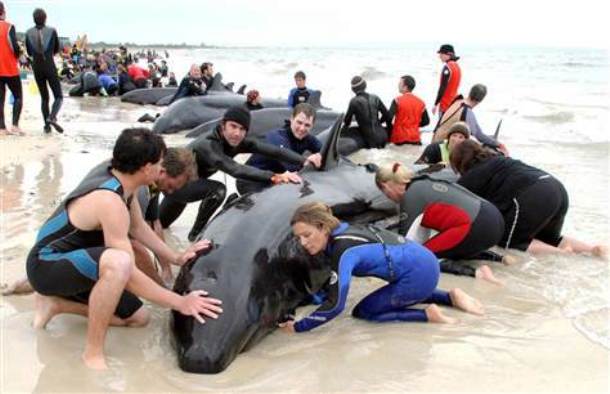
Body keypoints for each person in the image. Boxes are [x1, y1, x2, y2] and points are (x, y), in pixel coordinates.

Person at [26, 128, 223, 370]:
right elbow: (126, 270)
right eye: (160, 163)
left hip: (79, 264)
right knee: (118, 263)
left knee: (139, 317)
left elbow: (140, 229)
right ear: (145, 168)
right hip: (45, 266)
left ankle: (56, 305)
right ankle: (93, 354)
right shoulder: (110, 200)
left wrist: (177, 257)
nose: (163, 169)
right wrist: (180, 302)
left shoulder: (125, 187)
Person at [3, 147, 197, 295]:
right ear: (160, 171)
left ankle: (32, 282)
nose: (170, 192)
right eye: (171, 186)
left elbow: (154, 225)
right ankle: (42, 289)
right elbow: (135, 245)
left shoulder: (131, 172)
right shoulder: (137, 193)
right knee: (128, 276)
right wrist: (162, 290)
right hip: (59, 251)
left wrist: (169, 265)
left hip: (56, 236)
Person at [278, 202, 484, 333]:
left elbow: (336, 305)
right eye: (299, 238)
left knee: (363, 312)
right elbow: (332, 284)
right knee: (400, 290)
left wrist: (298, 327)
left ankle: (427, 315)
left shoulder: (342, 249)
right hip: (423, 260)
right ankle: (450, 297)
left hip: (419, 275)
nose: (303, 243)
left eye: (307, 235)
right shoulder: (343, 230)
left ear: (322, 227)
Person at [159, 106, 319, 241]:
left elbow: (274, 151)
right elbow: (235, 169)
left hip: (192, 184)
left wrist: (303, 160)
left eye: (242, 129)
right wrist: (275, 176)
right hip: (176, 183)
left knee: (160, 226)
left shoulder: (237, 141)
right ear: (223, 126)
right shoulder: (208, 144)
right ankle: (196, 235)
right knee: (218, 190)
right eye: (233, 126)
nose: (237, 133)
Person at [450, 140, 608, 258]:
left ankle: (562, 254)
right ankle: (592, 250)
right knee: (548, 238)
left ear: (459, 162)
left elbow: (462, 212)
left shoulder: (470, 178)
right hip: (555, 187)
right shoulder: (498, 159)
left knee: (509, 243)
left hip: (535, 194)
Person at [375, 162, 511, 283]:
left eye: (385, 193)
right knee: (446, 248)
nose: (388, 198)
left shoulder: (411, 196)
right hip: (494, 218)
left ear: (386, 186)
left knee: (421, 257)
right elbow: (421, 233)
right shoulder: (423, 182)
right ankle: (501, 259)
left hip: (476, 225)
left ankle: (478, 273)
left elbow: (406, 245)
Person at [238, 103, 322, 194]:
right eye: (299, 122)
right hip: (250, 180)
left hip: (273, 178)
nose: (302, 128)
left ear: (312, 126)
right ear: (291, 119)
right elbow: (290, 166)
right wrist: (308, 161)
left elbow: (323, 150)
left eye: (307, 125)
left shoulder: (307, 138)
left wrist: (319, 156)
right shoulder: (277, 137)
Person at [433, 84, 509, 155]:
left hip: (435, 140)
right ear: (481, 100)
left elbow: (477, 132)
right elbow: (479, 136)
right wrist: (499, 144)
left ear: (470, 92)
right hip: (442, 148)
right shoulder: (467, 111)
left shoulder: (458, 100)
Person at [25, 8, 63, 133]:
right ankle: (52, 117)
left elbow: (29, 52)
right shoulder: (52, 31)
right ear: (45, 18)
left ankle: (46, 127)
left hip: (37, 67)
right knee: (58, 96)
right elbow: (56, 49)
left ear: (33, 19)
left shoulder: (28, 33)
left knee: (44, 98)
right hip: (49, 65)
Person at [342, 76, 392, 149]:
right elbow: (388, 115)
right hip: (384, 135)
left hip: (371, 139)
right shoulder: (375, 97)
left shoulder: (354, 101)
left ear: (353, 89)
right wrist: (378, 122)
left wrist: (341, 133)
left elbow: (347, 122)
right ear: (365, 85)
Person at [0, 1, 23, 136]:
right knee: (18, 96)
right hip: (9, 68)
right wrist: (18, 53)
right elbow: (14, 47)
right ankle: (15, 125)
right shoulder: (9, 27)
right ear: (3, 11)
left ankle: (2, 128)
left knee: (0, 98)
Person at [388, 75, 430, 145]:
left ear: (405, 87)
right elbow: (426, 121)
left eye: (400, 84)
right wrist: (414, 125)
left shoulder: (397, 100)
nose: (398, 85)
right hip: (415, 138)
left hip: (399, 138)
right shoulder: (421, 102)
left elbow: (389, 118)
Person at [433, 44, 461, 117]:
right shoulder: (457, 66)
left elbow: (442, 87)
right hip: (454, 103)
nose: (440, 57)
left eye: (441, 54)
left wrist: (435, 104)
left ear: (448, 54)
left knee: (443, 127)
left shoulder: (447, 67)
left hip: (445, 105)